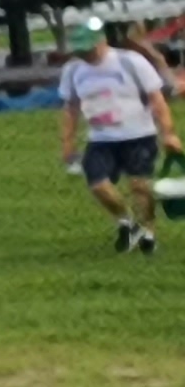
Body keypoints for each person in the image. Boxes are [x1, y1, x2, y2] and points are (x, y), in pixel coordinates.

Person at [57, 17, 171, 254]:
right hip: (100, 139)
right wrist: (67, 142)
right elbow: (70, 108)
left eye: (89, 49)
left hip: (139, 135)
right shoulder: (73, 70)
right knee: (98, 185)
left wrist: (168, 133)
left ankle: (148, 232)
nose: (85, 54)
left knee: (140, 186)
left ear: (101, 41)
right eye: (80, 50)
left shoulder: (130, 62)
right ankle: (126, 222)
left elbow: (156, 98)